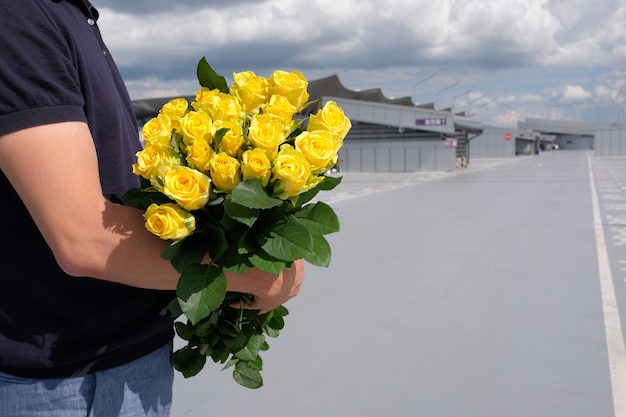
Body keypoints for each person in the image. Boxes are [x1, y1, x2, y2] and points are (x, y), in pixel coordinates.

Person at [0, 1, 304, 416]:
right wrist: (254, 271)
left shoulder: (67, 13)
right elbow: (82, 237)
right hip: (66, 384)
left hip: (119, 360)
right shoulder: (18, 15)